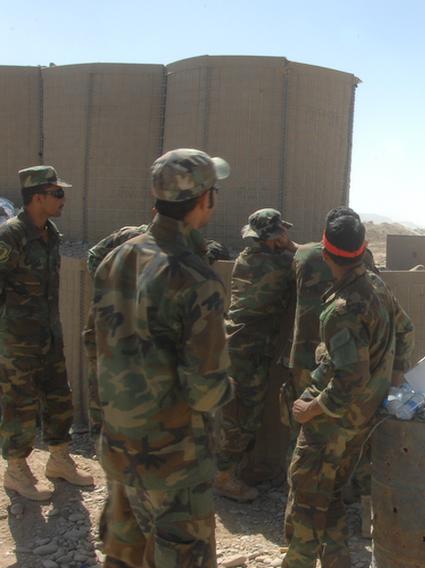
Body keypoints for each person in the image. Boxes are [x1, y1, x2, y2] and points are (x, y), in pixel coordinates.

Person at [92, 148, 234, 567]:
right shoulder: (195, 278)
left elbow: (92, 345)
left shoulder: (116, 259)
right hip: (174, 462)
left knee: (123, 555)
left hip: (120, 445)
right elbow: (206, 392)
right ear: (204, 199)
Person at [284, 207, 414, 568]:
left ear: (325, 254)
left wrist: (310, 409)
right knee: (332, 491)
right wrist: (394, 376)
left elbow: (348, 380)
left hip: (332, 422)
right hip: (362, 418)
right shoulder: (376, 285)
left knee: (307, 496)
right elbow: (406, 329)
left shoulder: (342, 310)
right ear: (364, 248)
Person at [83, 218, 229, 434]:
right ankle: (102, 433)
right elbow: (94, 257)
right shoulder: (129, 237)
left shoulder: (185, 251)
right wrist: (114, 287)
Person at [0, 165, 93, 501]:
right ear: (37, 197)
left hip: (49, 335)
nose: (63, 199)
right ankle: (16, 471)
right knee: (19, 405)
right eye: (57, 193)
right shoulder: (10, 236)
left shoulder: (51, 234)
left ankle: (59, 460)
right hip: (17, 340)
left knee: (58, 396)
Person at [215, 208, 295, 502]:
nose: (286, 237)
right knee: (240, 417)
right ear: (272, 237)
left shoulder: (247, 259)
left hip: (244, 347)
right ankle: (223, 476)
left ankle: (236, 469)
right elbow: (311, 261)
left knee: (245, 412)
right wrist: (289, 246)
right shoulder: (276, 266)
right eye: (281, 233)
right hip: (246, 352)